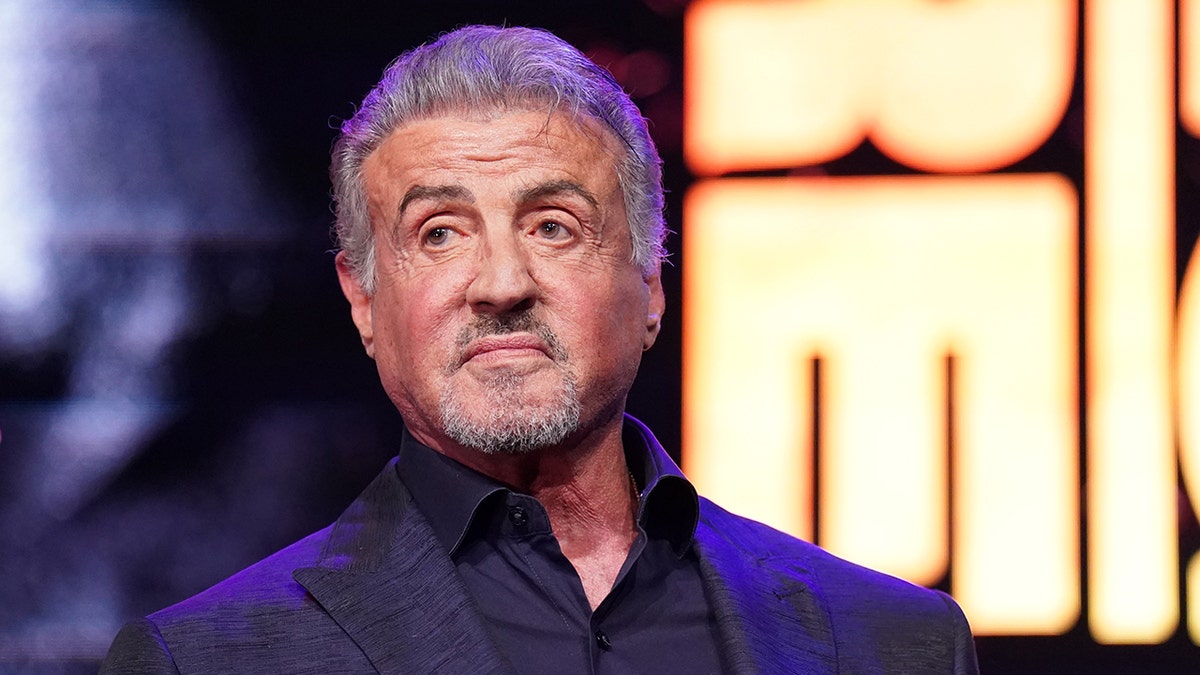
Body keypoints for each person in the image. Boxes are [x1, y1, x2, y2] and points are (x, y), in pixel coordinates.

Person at [100, 25, 979, 674]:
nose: (499, 282)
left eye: (554, 226)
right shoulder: (203, 661)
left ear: (652, 287)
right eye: (440, 233)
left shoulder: (896, 644)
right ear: (363, 299)